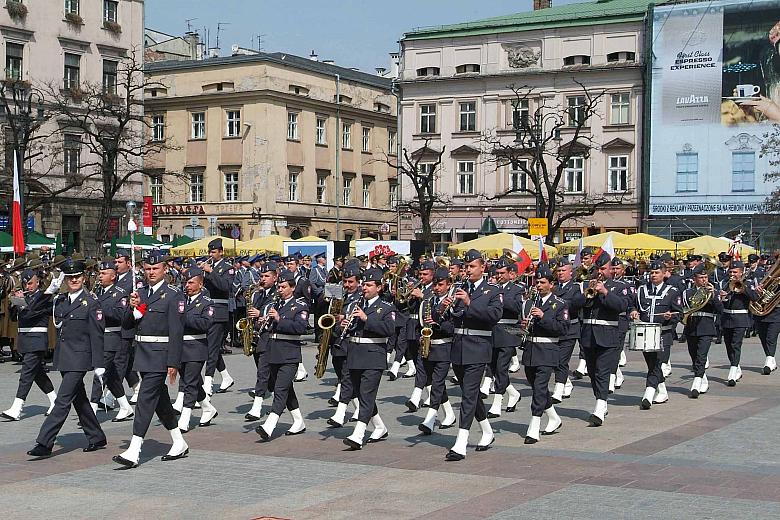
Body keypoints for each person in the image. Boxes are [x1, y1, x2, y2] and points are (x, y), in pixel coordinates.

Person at [113, 251, 186, 468]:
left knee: (144, 399)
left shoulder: (173, 295)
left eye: (155, 268)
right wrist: (132, 308)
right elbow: (127, 325)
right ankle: (179, 441)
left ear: (165, 269)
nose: (151, 272)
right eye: (147, 269)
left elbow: (176, 331)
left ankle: (134, 449)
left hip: (160, 355)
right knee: (160, 401)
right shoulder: (140, 293)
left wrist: (173, 362)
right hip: (142, 354)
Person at [27, 260, 107, 458]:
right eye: (70, 278)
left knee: (62, 400)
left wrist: (99, 364)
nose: (74, 280)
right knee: (79, 399)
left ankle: (44, 442)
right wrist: (48, 291)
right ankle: (96, 436)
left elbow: (97, 335)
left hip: (80, 359)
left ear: (84, 278)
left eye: (77, 277)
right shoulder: (60, 300)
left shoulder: (91, 302)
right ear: (65, 280)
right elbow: (32, 309)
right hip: (64, 357)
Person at [446, 249, 502, 461]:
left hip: (478, 347)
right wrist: (444, 309)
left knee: (468, 395)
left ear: (482, 267)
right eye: (466, 266)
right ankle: (487, 430)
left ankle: (461, 443)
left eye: (472, 266)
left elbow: (494, 316)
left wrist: (470, 303)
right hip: (459, 347)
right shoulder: (459, 288)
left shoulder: (492, 291)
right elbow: (451, 320)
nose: (468, 270)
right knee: (472, 394)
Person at [342, 268, 395, 449]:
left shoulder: (386, 307)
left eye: (369, 285)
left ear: (379, 287)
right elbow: (349, 330)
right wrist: (343, 325)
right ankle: (380, 427)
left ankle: (358, 434)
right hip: (355, 355)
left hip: (373, 356)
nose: (364, 288)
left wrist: (366, 319)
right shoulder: (355, 305)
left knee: (366, 394)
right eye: (364, 284)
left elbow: (389, 330)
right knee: (361, 394)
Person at [256, 270, 309, 440]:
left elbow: (300, 328)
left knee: (280, 389)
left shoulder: (300, 305)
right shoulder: (276, 304)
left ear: (292, 288)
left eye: (283, 287)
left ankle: (269, 425)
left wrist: (279, 319)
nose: (280, 290)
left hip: (289, 354)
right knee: (286, 389)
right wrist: (263, 322)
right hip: (273, 352)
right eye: (279, 287)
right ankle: (299, 421)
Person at [1, 268, 60, 421]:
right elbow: (14, 318)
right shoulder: (26, 297)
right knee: (38, 374)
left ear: (37, 282)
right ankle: (55, 400)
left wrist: (23, 303)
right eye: (25, 284)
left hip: (36, 341)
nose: (28, 287)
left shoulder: (44, 297)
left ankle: (17, 407)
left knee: (26, 374)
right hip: (25, 341)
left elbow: (31, 312)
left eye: (31, 283)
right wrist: (14, 303)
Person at [520, 265, 568, 443]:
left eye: (542, 282)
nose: (538, 285)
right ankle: (554, 417)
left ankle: (534, 426)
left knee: (540, 387)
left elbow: (563, 329)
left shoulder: (559, 304)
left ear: (551, 284)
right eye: (537, 282)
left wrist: (543, 317)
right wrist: (523, 325)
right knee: (536, 386)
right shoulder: (530, 303)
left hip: (548, 351)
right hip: (531, 350)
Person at [580, 253, 628, 426]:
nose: (600, 272)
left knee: (602, 371)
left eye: (603, 268)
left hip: (608, 335)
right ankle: (602, 402)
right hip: (588, 335)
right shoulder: (586, 284)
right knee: (593, 373)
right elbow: (574, 305)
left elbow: (622, 306)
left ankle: (600, 407)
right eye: (598, 268)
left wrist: (605, 292)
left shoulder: (619, 286)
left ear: (610, 269)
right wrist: (586, 293)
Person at [630, 260, 682, 409]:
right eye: (651, 272)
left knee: (658, 362)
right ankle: (663, 391)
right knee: (652, 364)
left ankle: (649, 392)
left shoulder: (672, 291)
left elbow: (679, 313)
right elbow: (633, 305)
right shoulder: (641, 290)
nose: (653, 275)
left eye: (657, 272)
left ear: (664, 274)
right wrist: (633, 311)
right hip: (646, 333)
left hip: (663, 333)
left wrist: (670, 316)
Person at [89, 259, 134, 422]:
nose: (100, 276)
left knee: (99, 373)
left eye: (104, 273)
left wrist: (98, 306)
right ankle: (125, 407)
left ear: (113, 276)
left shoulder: (120, 292)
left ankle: (91, 409)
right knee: (113, 377)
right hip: (100, 337)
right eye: (99, 273)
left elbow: (120, 315)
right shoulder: (99, 291)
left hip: (112, 337)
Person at [176, 267, 219, 432]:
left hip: (196, 347)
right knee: (191, 381)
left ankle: (185, 418)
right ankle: (208, 408)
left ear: (200, 284)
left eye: (191, 282)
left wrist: (183, 317)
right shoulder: (180, 299)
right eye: (185, 282)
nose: (187, 285)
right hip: (180, 347)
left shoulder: (207, 302)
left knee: (189, 383)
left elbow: (205, 324)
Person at [417, 267, 458, 435]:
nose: (437, 288)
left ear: (448, 285)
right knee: (433, 382)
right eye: (435, 285)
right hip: (429, 346)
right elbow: (421, 323)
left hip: (444, 346)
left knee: (438, 382)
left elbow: (454, 327)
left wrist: (438, 322)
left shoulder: (453, 302)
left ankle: (430, 419)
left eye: (440, 285)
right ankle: (449, 414)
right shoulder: (428, 301)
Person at [486, 256, 523, 418]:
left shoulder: (517, 289)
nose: (499, 276)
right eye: (498, 273)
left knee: (501, 368)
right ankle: (513, 393)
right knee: (493, 368)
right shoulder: (491, 288)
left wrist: (500, 297)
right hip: (493, 332)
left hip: (508, 332)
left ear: (510, 274)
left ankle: (497, 403)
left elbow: (517, 307)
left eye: (502, 273)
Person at [327, 264, 363, 426]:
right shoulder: (340, 295)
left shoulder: (362, 297)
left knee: (346, 379)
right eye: (345, 281)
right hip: (337, 341)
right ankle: (360, 409)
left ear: (358, 282)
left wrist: (345, 318)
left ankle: (340, 414)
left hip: (352, 343)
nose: (347, 285)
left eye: (350, 282)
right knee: (344, 378)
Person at [245, 262, 279, 420]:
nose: (263, 279)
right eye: (261, 276)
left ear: (275, 277)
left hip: (269, 337)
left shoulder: (278, 293)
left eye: (267, 276)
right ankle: (279, 399)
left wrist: (260, 314)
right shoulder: (257, 294)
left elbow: (275, 311)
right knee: (267, 372)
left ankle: (257, 407)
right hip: (257, 337)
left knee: (262, 372)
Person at [200, 238, 235, 394]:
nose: (210, 254)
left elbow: (225, 286)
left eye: (213, 252)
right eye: (209, 252)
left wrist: (211, 272)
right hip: (205, 310)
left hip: (219, 312)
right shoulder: (208, 266)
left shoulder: (228, 268)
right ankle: (226, 377)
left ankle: (208, 381)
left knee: (211, 348)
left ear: (221, 252)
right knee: (210, 347)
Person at [683, 264, 723, 397]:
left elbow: (720, 309)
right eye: (701, 277)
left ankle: (696, 381)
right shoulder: (687, 292)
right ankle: (702, 378)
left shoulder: (713, 292)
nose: (704, 280)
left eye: (706, 277)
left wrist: (713, 295)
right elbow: (685, 307)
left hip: (706, 327)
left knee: (701, 355)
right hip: (691, 326)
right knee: (694, 355)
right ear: (695, 279)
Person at [718, 260, 759, 385]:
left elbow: (755, 297)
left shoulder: (748, 283)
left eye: (735, 272)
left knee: (736, 344)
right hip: (726, 317)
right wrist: (721, 297)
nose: (732, 274)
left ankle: (733, 370)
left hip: (740, 318)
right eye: (731, 272)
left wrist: (743, 290)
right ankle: (736, 366)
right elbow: (719, 301)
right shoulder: (724, 283)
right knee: (728, 345)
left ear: (741, 272)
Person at [551, 261, 585, 402]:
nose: (560, 273)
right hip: (555, 329)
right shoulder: (553, 287)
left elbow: (574, 305)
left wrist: (556, 302)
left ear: (571, 272)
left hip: (569, 329)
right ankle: (567, 383)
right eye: (558, 270)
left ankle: (558, 391)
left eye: (563, 270)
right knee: (554, 360)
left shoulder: (575, 287)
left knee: (561, 360)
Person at [309, 252, 328, 343]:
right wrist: (318, 292)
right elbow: (312, 282)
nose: (325, 260)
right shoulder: (315, 270)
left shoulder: (325, 270)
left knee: (325, 314)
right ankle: (318, 335)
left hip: (326, 294)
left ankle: (324, 335)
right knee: (318, 315)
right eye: (324, 258)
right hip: (319, 296)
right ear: (320, 260)